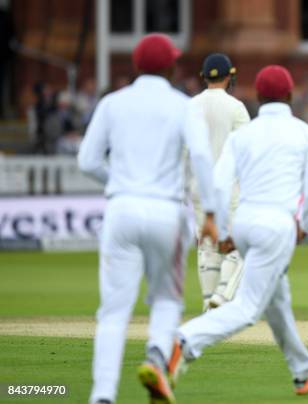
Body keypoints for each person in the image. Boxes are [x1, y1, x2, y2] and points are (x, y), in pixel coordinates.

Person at [168, 65, 308, 396]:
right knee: (247, 308)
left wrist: (225, 229)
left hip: (244, 220)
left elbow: (220, 182)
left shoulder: (242, 136)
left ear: (258, 96)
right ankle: (184, 341)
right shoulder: (305, 134)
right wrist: (305, 225)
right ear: (288, 97)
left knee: (277, 299)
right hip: (277, 224)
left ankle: (302, 370)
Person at [78, 33, 217, 404]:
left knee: (112, 311)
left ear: (137, 66)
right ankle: (157, 355)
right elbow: (202, 157)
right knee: (166, 299)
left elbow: (87, 160)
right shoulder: (182, 105)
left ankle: (102, 396)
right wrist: (213, 213)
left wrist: (121, 185)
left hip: (121, 210)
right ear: (170, 66)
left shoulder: (112, 103)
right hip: (166, 212)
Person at [187, 53, 250, 311]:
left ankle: (206, 302)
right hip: (229, 189)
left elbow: (181, 151)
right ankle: (222, 295)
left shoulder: (190, 106)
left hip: (198, 187)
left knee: (207, 246)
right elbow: (246, 152)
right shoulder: (235, 107)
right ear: (229, 76)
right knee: (238, 245)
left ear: (203, 77)